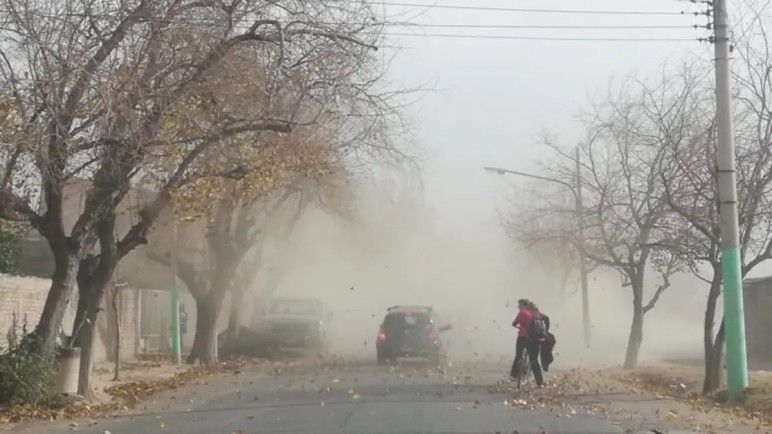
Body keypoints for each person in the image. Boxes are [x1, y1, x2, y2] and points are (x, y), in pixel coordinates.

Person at [510, 298, 545, 387]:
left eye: (520, 305)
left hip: (523, 337)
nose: (518, 306)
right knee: (534, 360)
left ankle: (514, 375)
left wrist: (516, 325)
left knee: (518, 355)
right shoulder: (537, 315)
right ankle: (539, 382)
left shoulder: (522, 313)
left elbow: (514, 323)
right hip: (535, 339)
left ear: (524, 305)